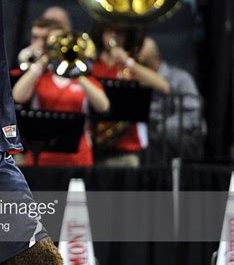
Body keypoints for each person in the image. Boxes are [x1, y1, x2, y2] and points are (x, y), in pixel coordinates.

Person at [12, 20, 109, 166]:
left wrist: (77, 71)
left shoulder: (85, 78)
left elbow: (103, 106)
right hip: (40, 159)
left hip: (78, 159)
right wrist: (44, 60)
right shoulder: (40, 77)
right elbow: (17, 96)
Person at [91, 23, 171, 166]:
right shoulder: (93, 66)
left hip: (127, 148)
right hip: (95, 146)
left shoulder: (132, 66)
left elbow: (164, 87)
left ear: (127, 37)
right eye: (109, 31)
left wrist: (128, 62)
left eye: (120, 33)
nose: (114, 36)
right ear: (101, 33)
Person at [138, 36, 203, 159]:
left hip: (180, 136)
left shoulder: (181, 78)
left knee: (153, 139)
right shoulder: (136, 81)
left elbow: (192, 116)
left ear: (155, 56)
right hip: (151, 134)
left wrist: (160, 126)